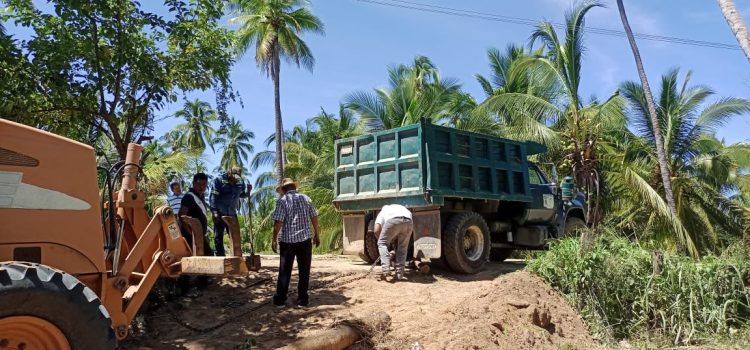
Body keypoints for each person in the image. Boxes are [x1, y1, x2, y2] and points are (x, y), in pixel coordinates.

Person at [272, 178, 320, 308]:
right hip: (305, 240)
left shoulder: (282, 201)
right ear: (294, 187)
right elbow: (314, 217)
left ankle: (280, 300)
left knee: (284, 271)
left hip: (287, 242)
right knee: (304, 271)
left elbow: (278, 223)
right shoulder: (306, 198)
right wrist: (317, 234)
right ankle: (302, 300)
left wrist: (274, 239)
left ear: (283, 190)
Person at [209, 166, 251, 256]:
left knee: (235, 236)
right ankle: (220, 256)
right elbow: (213, 197)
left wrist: (248, 192)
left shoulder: (240, 182)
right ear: (229, 173)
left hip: (232, 214)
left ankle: (236, 256)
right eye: (234, 177)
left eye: (237, 178)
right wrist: (214, 212)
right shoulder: (219, 180)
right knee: (218, 236)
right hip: (220, 213)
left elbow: (242, 195)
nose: (235, 180)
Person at [374, 204, 413, 281]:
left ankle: (386, 271)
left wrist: (384, 244)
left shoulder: (383, 212)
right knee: (402, 248)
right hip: (409, 221)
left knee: (382, 243)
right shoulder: (400, 208)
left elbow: (376, 230)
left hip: (393, 220)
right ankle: (399, 275)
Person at [178, 173, 213, 257]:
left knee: (208, 256)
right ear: (193, 184)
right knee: (208, 256)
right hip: (190, 236)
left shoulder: (201, 197)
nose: (201, 187)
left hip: (200, 236)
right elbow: (181, 216)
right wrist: (191, 233)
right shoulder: (189, 197)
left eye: (204, 184)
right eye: (198, 184)